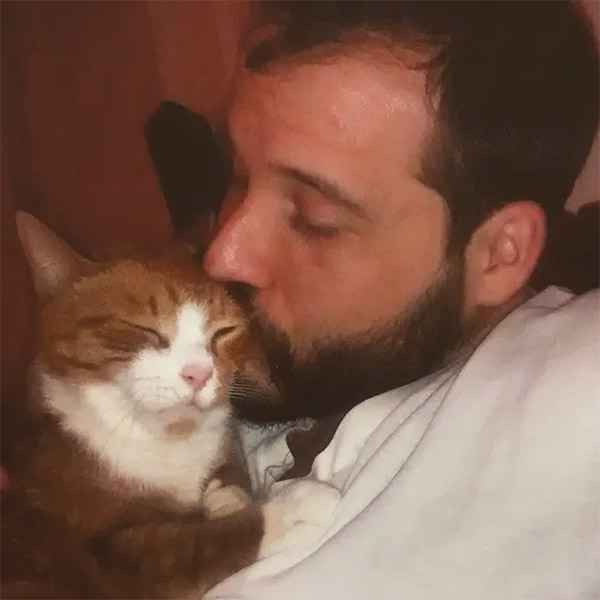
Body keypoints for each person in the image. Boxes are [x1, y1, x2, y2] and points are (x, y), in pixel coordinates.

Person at [198, 1, 600, 598]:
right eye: (235, 176)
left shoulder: (573, 391)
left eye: (314, 218)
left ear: (499, 254)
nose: (223, 256)